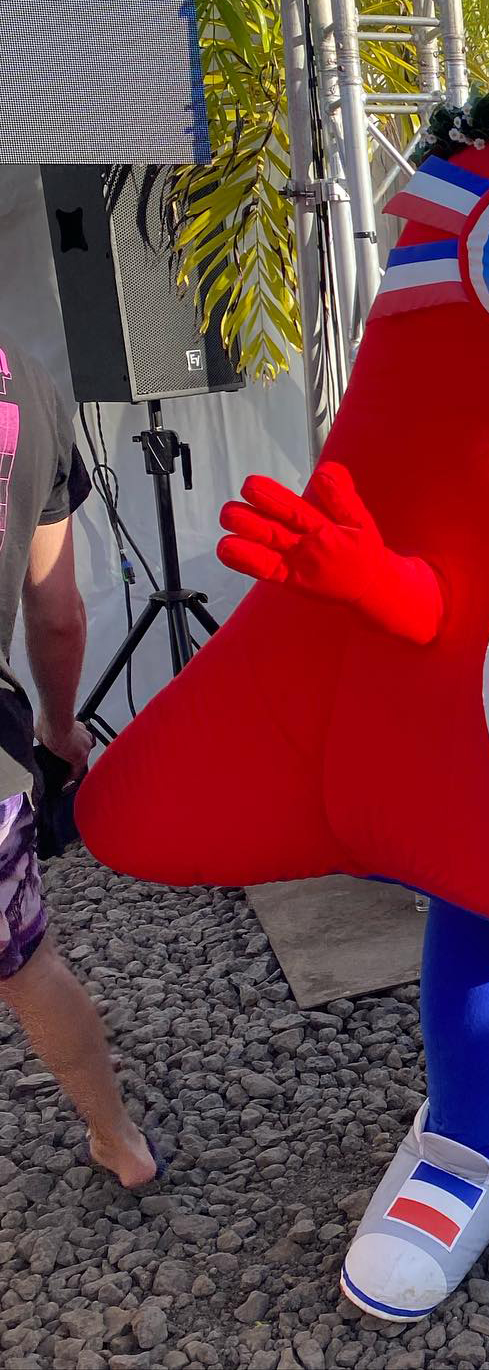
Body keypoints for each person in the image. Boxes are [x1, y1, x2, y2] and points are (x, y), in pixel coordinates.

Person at [0, 340, 157, 1189]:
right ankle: (120, 1140)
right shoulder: (24, 384)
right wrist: (62, 729)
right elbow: (55, 612)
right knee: (26, 966)